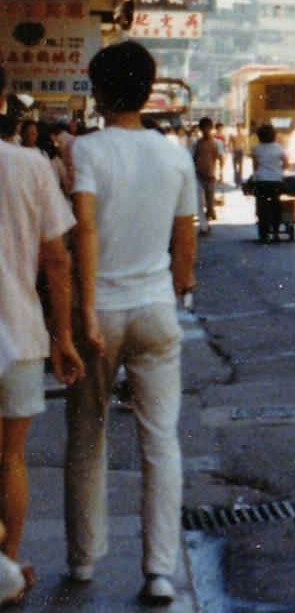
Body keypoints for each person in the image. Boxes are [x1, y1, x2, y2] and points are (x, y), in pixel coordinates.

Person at [65, 41, 197, 608]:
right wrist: (177, 288)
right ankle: (160, 571)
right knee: (160, 440)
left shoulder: (87, 152)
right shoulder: (175, 155)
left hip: (102, 309)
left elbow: (85, 231)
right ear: (149, 89)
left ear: (98, 93)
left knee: (87, 434)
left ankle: (83, 559)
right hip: (156, 308)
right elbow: (186, 237)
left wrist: (87, 310)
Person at [0, 64, 83, 604]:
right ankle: (5, 573)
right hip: (20, 335)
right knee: (10, 458)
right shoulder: (29, 164)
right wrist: (64, 336)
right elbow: (57, 260)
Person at [247, 124, 286, 243]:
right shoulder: (279, 148)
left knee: (261, 204)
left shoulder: (256, 148)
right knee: (276, 204)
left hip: (260, 180)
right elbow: (286, 163)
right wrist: (279, 171)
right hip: (276, 180)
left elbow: (255, 165)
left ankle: (263, 233)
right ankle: (275, 232)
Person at [191, 118, 222, 236]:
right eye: (203, 128)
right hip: (198, 175)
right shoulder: (196, 143)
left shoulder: (217, 143)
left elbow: (221, 158)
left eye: (207, 127)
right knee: (199, 202)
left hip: (211, 175)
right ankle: (204, 226)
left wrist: (220, 172)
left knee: (210, 202)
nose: (205, 130)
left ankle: (208, 218)